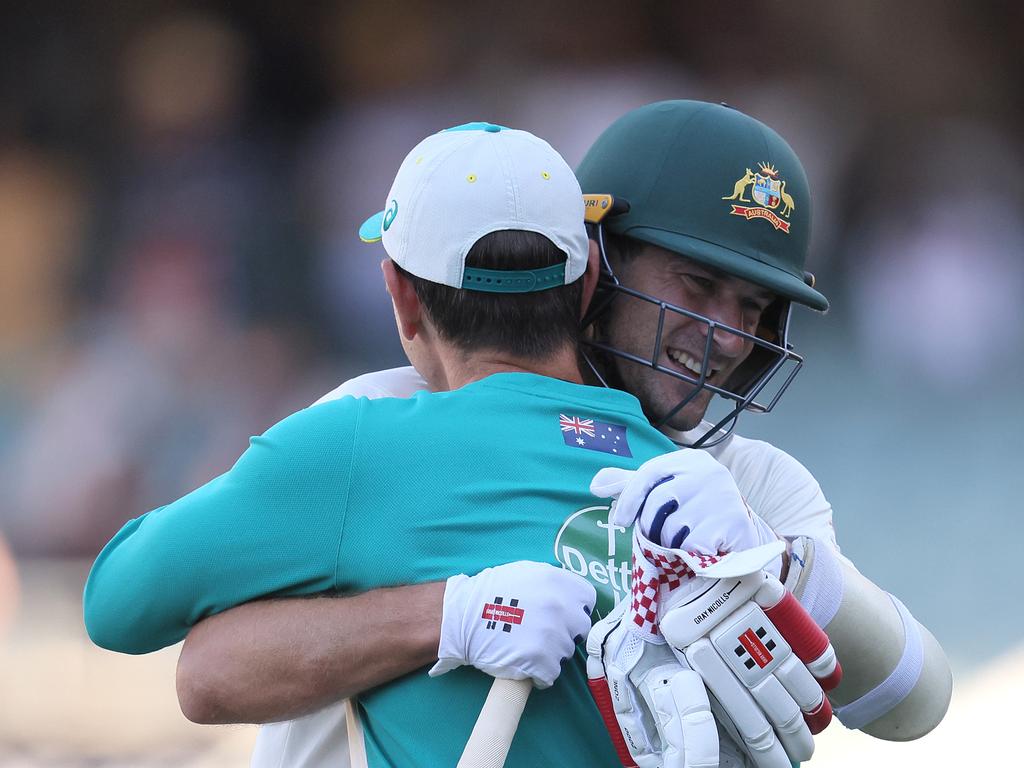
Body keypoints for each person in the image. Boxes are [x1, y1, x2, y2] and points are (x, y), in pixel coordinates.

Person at [128, 104, 952, 766]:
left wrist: (773, 564)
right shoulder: (385, 416)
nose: (728, 336)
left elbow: (918, 704)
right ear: (597, 261)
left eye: (753, 310)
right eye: (697, 287)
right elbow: (208, 672)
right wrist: (445, 616)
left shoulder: (753, 487)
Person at [85, 122, 741, 765]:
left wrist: (449, 616)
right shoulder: (693, 483)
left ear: (401, 295)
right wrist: (452, 614)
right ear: (590, 281)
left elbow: (117, 602)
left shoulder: (356, 442)